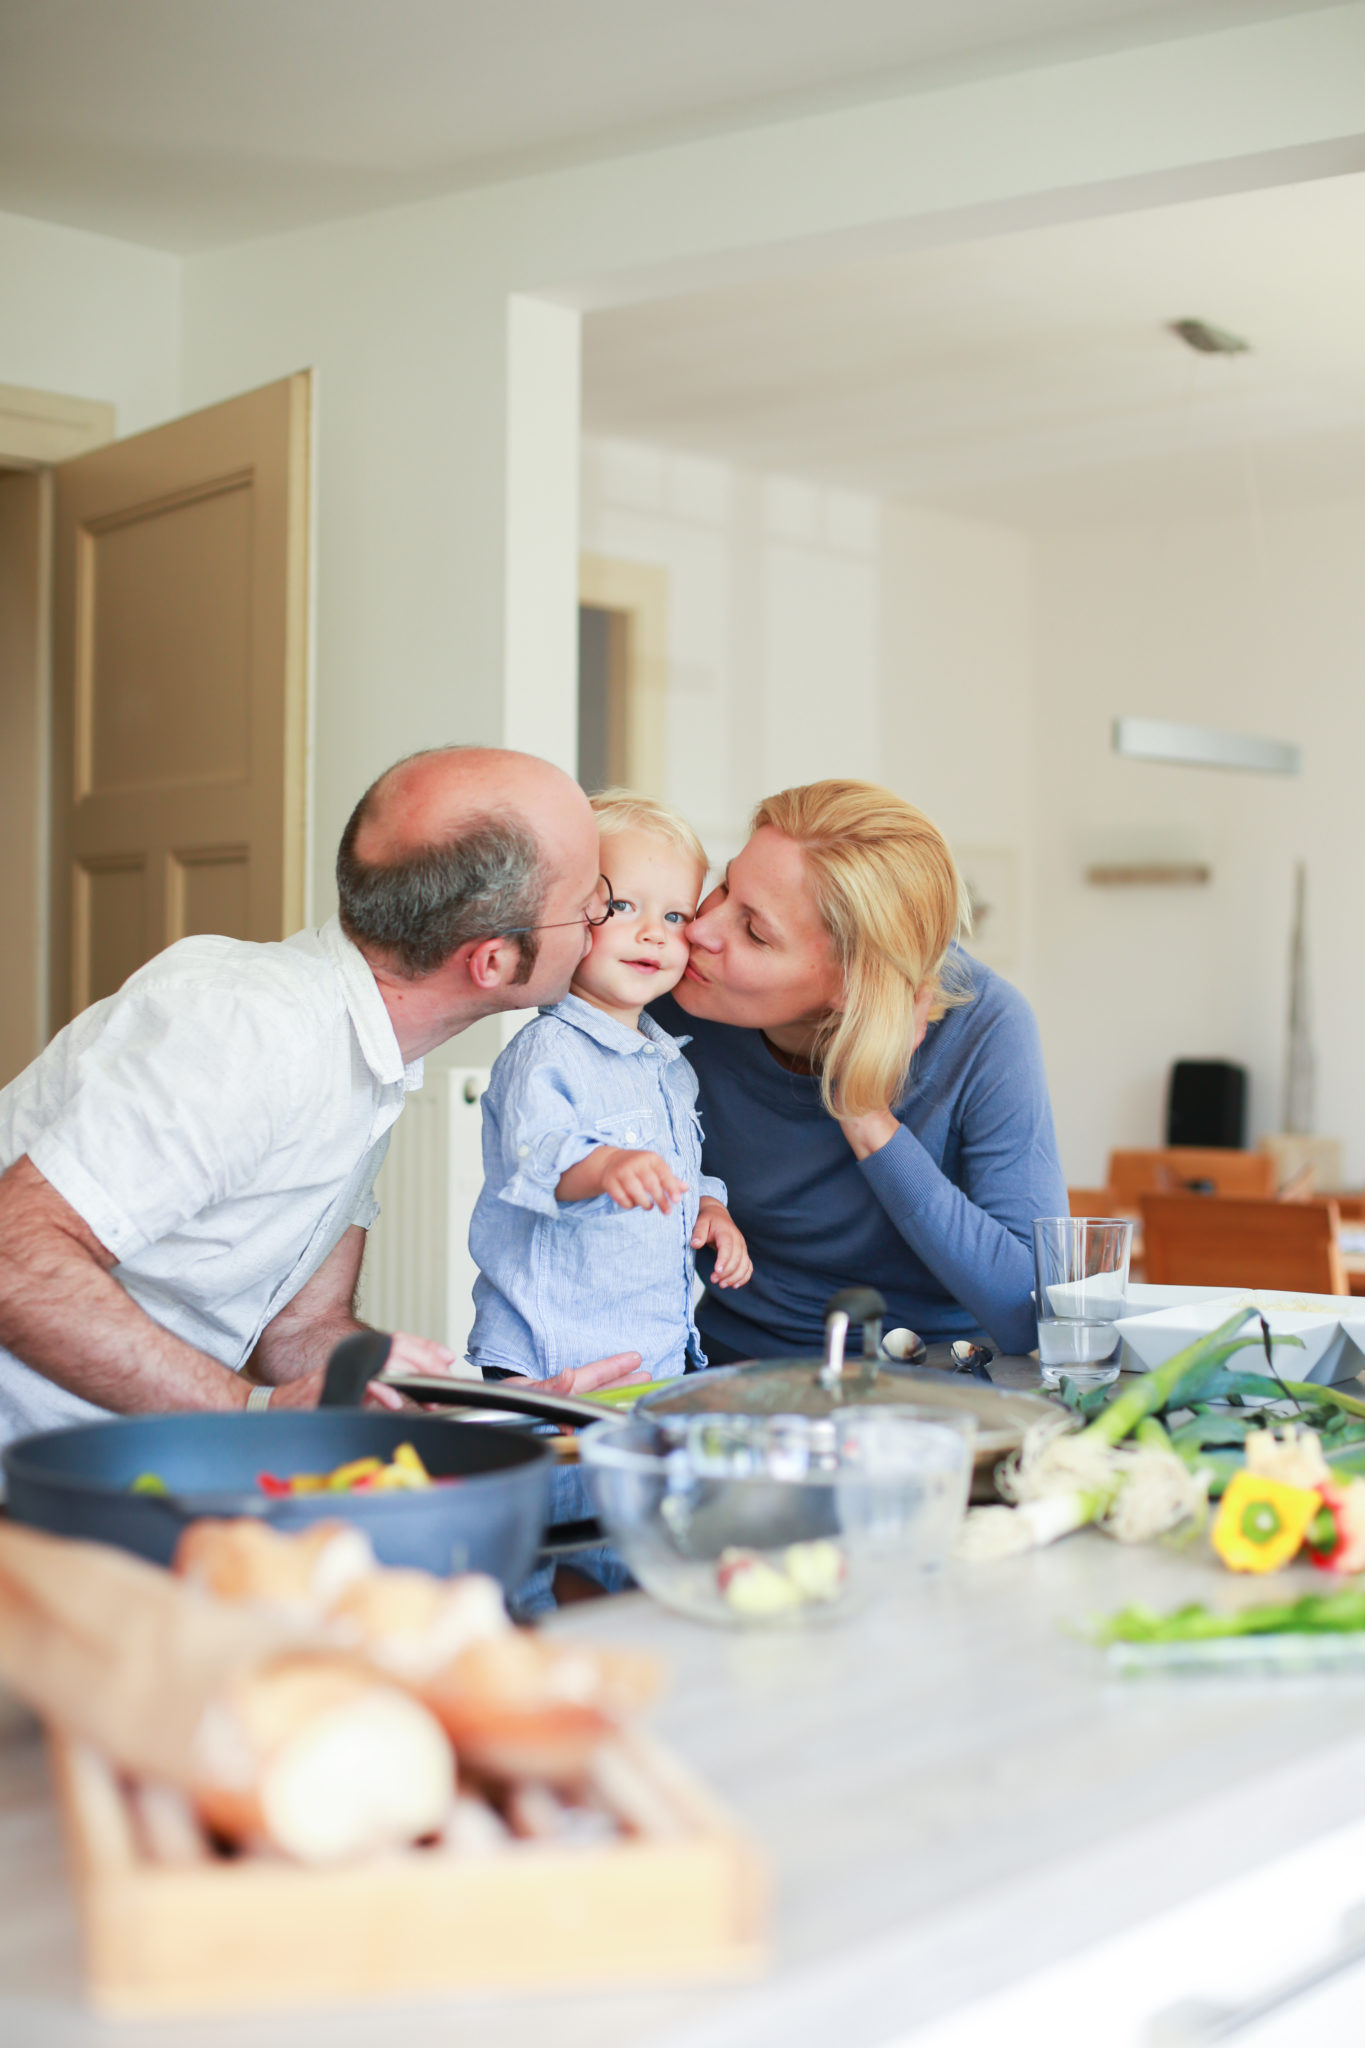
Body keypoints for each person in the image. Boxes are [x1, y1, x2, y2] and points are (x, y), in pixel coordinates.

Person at [0, 747, 643, 1446]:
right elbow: (13, 1260)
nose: (599, 926)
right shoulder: (247, 1029)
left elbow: (299, 1331)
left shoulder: (371, 1053)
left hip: (109, 1467)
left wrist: (463, 1408)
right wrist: (251, 1414)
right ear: (492, 960)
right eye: (589, 906)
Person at [652, 779, 1065, 1363]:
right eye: (724, 887)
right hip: (731, 1371)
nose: (698, 931)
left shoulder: (986, 1029)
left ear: (852, 985)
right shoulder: (668, 999)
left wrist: (867, 1117)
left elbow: (1031, 1311)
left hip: (933, 1381)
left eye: (753, 931)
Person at [467, 790, 750, 1383]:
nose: (654, 934)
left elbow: (677, 1166)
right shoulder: (547, 1052)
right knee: (562, 1479)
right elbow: (537, 1161)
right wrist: (604, 1167)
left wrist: (709, 1205)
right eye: (623, 907)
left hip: (654, 1350)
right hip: (552, 1359)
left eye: (675, 917)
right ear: (570, 912)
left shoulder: (670, 1063)